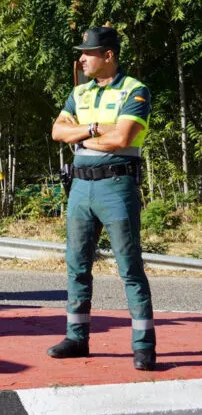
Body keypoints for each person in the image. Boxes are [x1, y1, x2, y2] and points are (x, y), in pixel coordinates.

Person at [49, 26, 156, 371]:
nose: (81, 59)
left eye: (87, 53)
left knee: (129, 267)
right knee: (76, 265)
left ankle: (144, 346)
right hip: (80, 189)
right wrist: (94, 130)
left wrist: (79, 138)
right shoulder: (78, 93)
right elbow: (56, 132)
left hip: (116, 187)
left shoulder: (135, 90)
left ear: (107, 55)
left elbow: (123, 136)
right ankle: (76, 337)